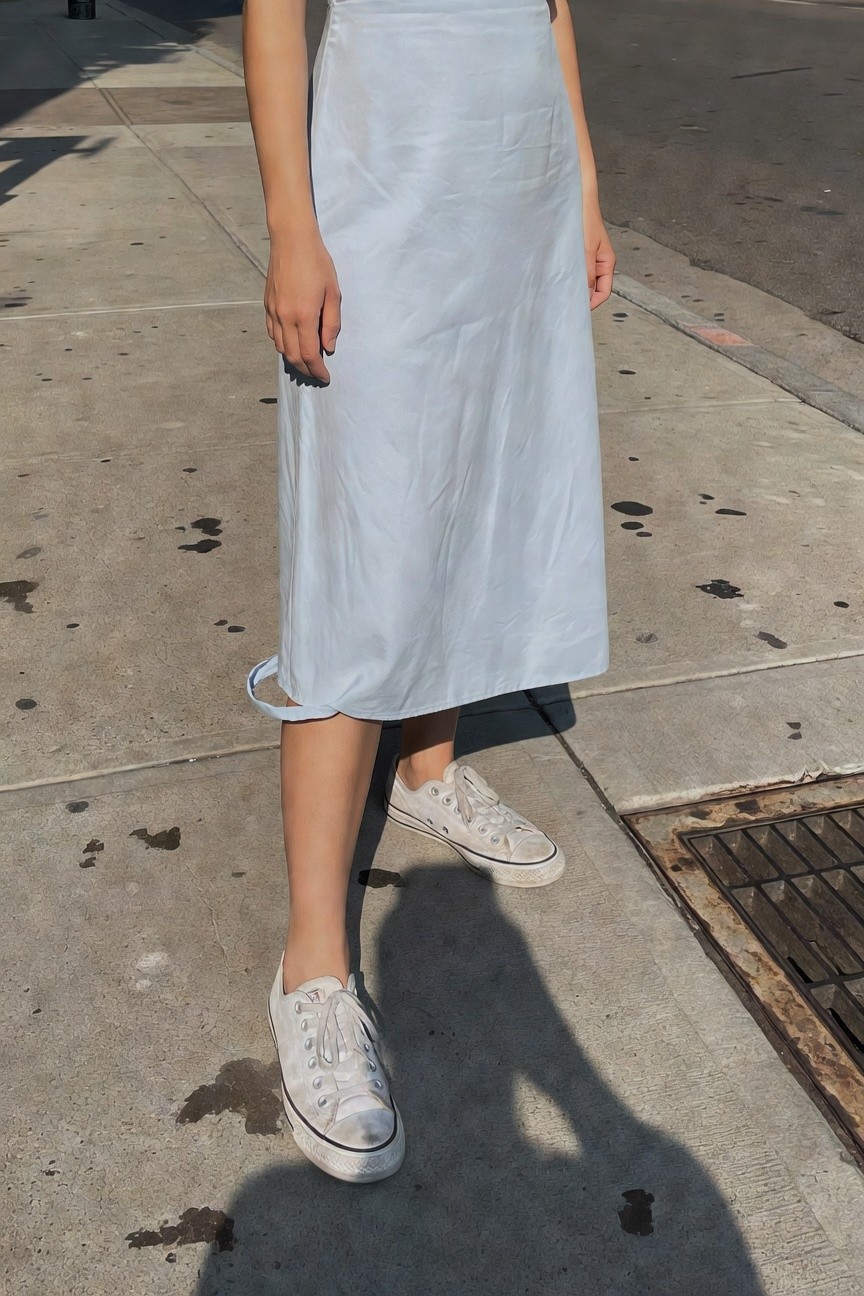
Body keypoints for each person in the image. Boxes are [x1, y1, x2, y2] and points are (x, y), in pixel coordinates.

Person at [242, 0, 614, 1182]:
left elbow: (551, 16)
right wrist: (291, 226)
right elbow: (274, 17)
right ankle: (313, 968)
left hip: (518, 194)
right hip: (379, 192)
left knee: (475, 503)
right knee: (363, 549)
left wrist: (586, 193)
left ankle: (429, 771)